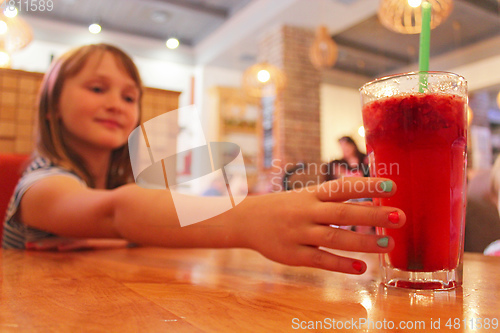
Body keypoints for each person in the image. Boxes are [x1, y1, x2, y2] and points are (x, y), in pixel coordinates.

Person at [2, 43, 406, 275]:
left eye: (128, 97)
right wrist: (251, 217)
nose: (115, 104)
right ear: (51, 105)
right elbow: (116, 210)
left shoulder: (100, 183)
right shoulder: (40, 184)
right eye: (96, 88)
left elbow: (123, 218)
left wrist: (121, 236)